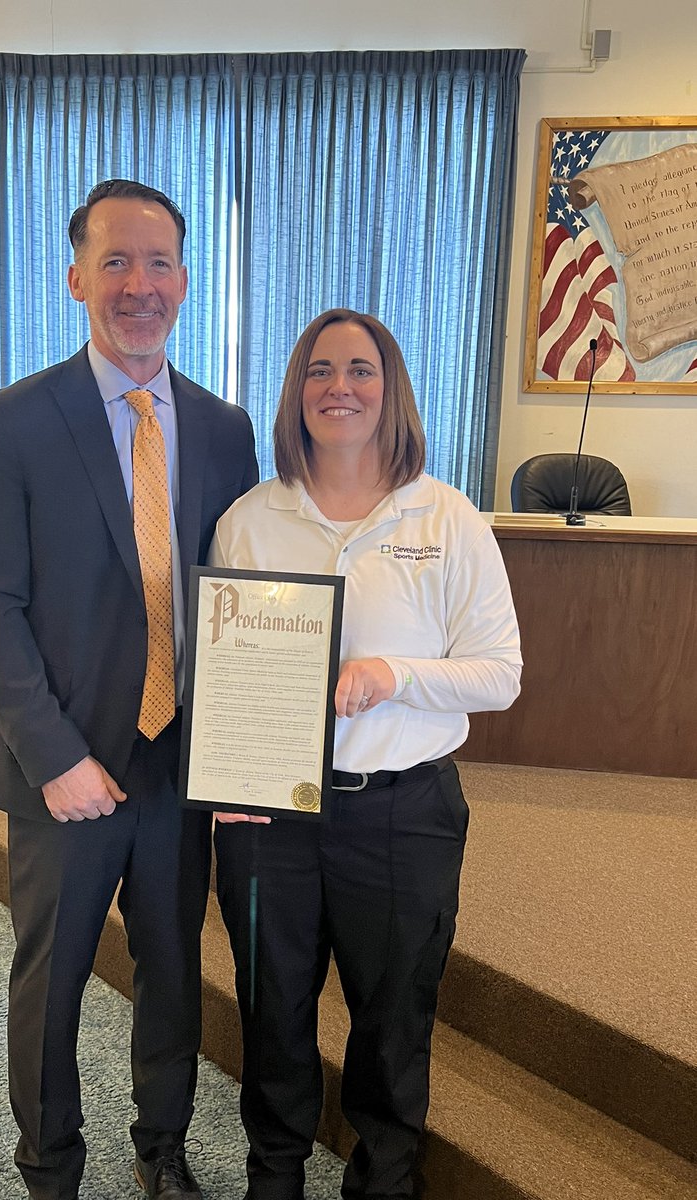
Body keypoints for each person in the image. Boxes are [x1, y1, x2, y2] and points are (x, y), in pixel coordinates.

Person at [0, 179, 258, 1200]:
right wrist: (55, 756)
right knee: (53, 984)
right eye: (116, 262)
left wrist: (256, 745)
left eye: (159, 262)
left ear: (184, 279)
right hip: (66, 768)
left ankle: (161, 1150)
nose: (139, 285)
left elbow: (240, 597)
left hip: (179, 763)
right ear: (76, 275)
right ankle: (50, 1168)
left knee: (173, 972)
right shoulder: (13, 422)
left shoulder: (224, 428)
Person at [210, 309, 521, 1199]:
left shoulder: (449, 518)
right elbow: (217, 667)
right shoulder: (250, 522)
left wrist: (395, 673)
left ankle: (382, 1184)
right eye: (318, 370)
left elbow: (499, 674)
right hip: (270, 816)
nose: (338, 387)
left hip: (402, 812)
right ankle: (273, 1178)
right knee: (273, 1014)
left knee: (391, 1023)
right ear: (295, 391)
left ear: (392, 392)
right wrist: (228, 771)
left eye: (360, 369)